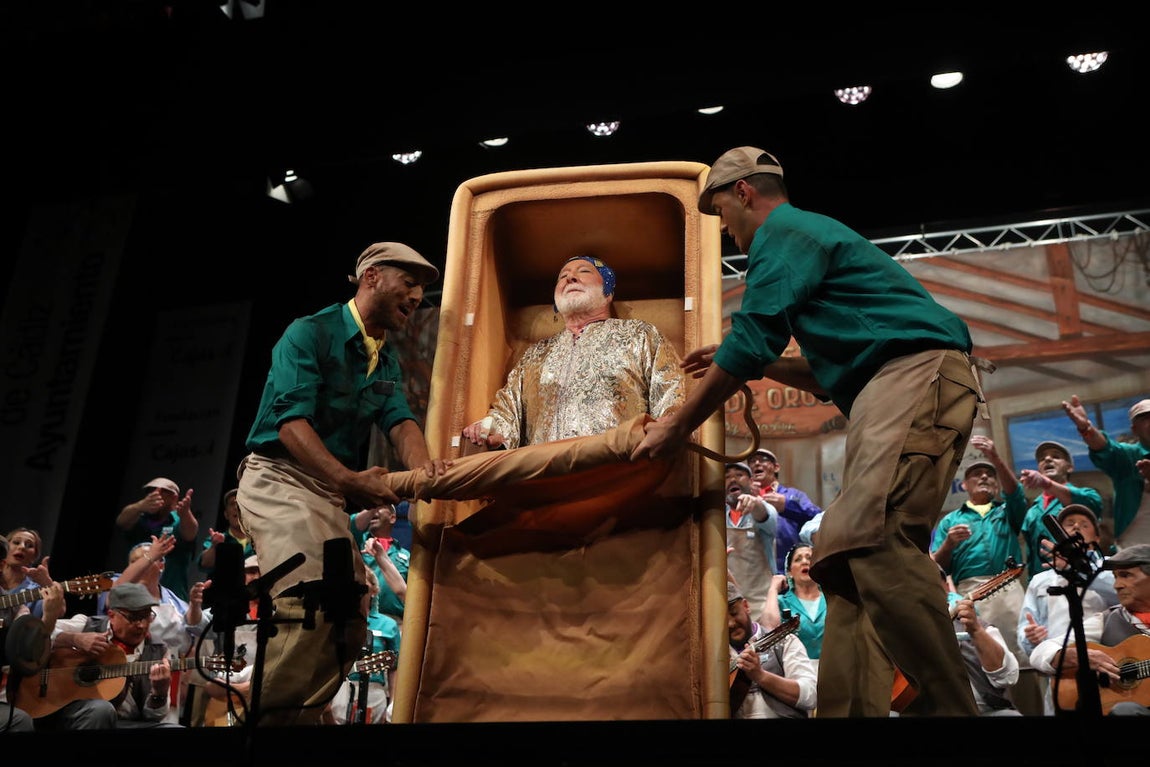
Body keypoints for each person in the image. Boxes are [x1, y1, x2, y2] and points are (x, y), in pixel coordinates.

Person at [633, 146, 988, 717]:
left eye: (722, 211)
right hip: (890, 384)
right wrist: (752, 360)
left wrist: (676, 426)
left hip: (913, 377)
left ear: (745, 193)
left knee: (869, 537)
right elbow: (824, 371)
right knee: (845, 561)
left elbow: (754, 337)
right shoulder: (810, 238)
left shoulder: (783, 233)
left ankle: (954, 713)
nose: (724, 228)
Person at [234, 241, 449, 726]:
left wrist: (424, 472)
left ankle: (296, 720)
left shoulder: (385, 359)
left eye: (422, 289)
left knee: (350, 621)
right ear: (371, 277)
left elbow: (400, 421)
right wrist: (352, 480)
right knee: (310, 598)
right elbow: (290, 425)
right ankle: (260, 726)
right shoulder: (310, 332)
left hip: (325, 492)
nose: (417, 296)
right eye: (409, 282)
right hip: (278, 478)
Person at [461, 254, 684, 450]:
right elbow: (507, 409)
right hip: (544, 476)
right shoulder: (534, 355)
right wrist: (491, 429)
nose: (570, 278)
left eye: (584, 271)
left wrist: (666, 430)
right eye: (562, 276)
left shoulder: (640, 335)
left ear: (608, 292)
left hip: (618, 470)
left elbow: (672, 393)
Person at [929, 443, 1042, 715]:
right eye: (976, 474)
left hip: (1010, 588)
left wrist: (995, 457)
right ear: (964, 485)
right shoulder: (950, 521)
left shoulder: (1006, 510)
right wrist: (947, 545)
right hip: (967, 593)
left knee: (1022, 657)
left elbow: (1016, 494)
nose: (984, 478)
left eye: (989, 474)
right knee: (979, 656)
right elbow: (937, 569)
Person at [1018, 503, 1117, 715]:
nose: (1076, 528)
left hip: (1110, 671)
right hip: (1063, 676)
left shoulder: (1113, 567)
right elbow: (1026, 634)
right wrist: (1032, 638)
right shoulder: (1040, 580)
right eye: (1069, 524)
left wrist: (1073, 567)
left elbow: (1119, 594)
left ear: (1097, 538)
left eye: (1084, 524)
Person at [1029, 543, 1150, 716]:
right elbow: (1040, 652)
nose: (1117, 585)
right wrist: (1074, 656)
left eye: (1126, 575)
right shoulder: (1107, 619)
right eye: (1115, 577)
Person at [45, 582, 181, 728]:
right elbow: (40, 633)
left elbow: (152, 717)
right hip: (81, 714)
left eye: (146, 616)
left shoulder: (158, 651)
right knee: (101, 710)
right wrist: (75, 639)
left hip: (128, 724)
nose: (141, 625)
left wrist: (159, 693)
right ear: (112, 615)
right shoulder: (87, 625)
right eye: (134, 617)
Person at [1001, 439, 1104, 580]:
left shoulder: (1087, 496)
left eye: (1055, 456)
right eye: (1042, 459)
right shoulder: (1033, 511)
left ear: (1069, 467)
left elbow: (1089, 503)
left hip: (1082, 577)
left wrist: (1046, 483)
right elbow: (1031, 554)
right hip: (1043, 582)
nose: (1048, 459)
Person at [1062, 395, 1150, 549]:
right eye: (1144, 418)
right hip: (1135, 550)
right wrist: (1086, 428)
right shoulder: (1129, 458)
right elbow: (1105, 448)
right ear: (1134, 429)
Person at [727, 580, 817, 719]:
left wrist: (760, 676)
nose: (731, 623)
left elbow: (810, 695)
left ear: (746, 606)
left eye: (734, 613)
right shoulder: (716, 656)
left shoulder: (786, 641)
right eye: (722, 618)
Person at [939, 569, 1022, 717]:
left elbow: (1008, 677)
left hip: (982, 710)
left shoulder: (977, 625)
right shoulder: (901, 628)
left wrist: (976, 630)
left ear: (945, 587)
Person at [328, 567, 401, 725]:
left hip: (374, 691)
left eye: (363, 582)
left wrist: (393, 703)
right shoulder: (335, 622)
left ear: (373, 590)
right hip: (338, 690)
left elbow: (394, 667)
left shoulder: (388, 625)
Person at [116, 477, 198, 601]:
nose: (155, 493)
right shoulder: (139, 518)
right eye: (151, 490)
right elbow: (121, 522)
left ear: (174, 497)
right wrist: (139, 506)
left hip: (170, 598)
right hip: (134, 595)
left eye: (163, 491)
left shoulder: (179, 521)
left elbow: (190, 533)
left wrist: (186, 513)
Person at [747, 447, 822, 572]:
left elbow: (818, 517)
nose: (757, 463)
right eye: (752, 461)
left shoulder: (793, 495)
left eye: (763, 460)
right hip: (754, 572)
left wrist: (787, 506)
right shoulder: (745, 498)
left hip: (792, 569)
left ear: (776, 467)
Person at [761, 543, 826, 675]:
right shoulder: (781, 602)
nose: (805, 562)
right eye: (798, 559)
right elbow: (769, 628)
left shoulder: (831, 598)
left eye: (809, 558)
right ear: (789, 572)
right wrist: (773, 589)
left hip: (831, 670)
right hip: (796, 673)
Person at [724, 461, 777, 613]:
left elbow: (765, 517)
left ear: (751, 481)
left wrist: (755, 504)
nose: (733, 480)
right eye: (727, 477)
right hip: (730, 605)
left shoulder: (765, 508)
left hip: (763, 604)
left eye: (739, 475)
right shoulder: (716, 518)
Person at [350, 503, 408, 627]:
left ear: (392, 518)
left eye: (381, 507)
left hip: (397, 622)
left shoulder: (406, 556)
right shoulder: (357, 543)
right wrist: (374, 504)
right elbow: (352, 525)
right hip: (363, 617)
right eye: (372, 508)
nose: (375, 511)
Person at [198, 488, 256, 581]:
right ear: (226, 514)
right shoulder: (216, 539)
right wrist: (215, 546)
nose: (236, 507)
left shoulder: (258, 540)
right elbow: (205, 564)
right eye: (232, 504)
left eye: (240, 503)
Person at [1, 527, 52, 621]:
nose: (22, 547)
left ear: (34, 557)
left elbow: (60, 610)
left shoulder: (38, 590)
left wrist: (48, 584)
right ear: (4, 549)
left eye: (29, 545)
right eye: (16, 542)